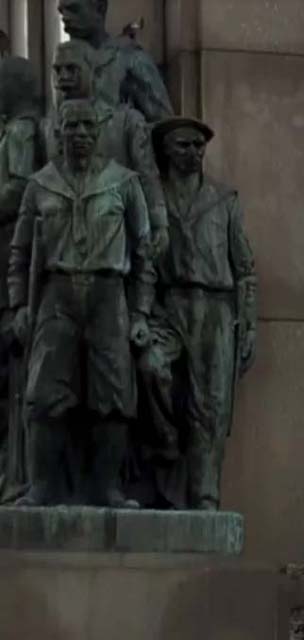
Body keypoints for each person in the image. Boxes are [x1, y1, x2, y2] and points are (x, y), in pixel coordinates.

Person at [8, 99, 153, 507]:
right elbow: (19, 254)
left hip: (109, 294)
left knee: (113, 393)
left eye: (89, 126)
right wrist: (20, 305)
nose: (82, 134)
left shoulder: (123, 182)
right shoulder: (40, 184)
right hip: (57, 293)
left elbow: (144, 254)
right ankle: (41, 487)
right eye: (72, 127)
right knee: (45, 391)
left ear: (101, 131)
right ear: (59, 133)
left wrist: (140, 312)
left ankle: (108, 487)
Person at [138, 117, 256, 510]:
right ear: (166, 151)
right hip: (168, 307)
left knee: (211, 406)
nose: (193, 153)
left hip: (216, 309)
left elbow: (244, 269)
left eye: (198, 146)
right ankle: (165, 445)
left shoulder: (224, 199)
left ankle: (205, 496)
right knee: (150, 369)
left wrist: (249, 324)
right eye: (184, 145)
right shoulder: (153, 200)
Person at [46, 40, 168, 256]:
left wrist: (159, 223)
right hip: (61, 245)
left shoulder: (127, 121)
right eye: (58, 70)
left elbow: (148, 175)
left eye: (72, 69)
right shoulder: (47, 126)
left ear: (92, 72)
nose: (63, 77)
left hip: (116, 240)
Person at [0, 57, 44, 502]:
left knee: (16, 374)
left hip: (11, 265)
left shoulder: (20, 132)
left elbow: (16, 189)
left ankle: (19, 474)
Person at [58, 0, 172, 122]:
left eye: (74, 9)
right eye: (62, 12)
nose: (65, 18)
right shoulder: (61, 64)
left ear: (100, 8)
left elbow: (164, 124)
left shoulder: (130, 58)